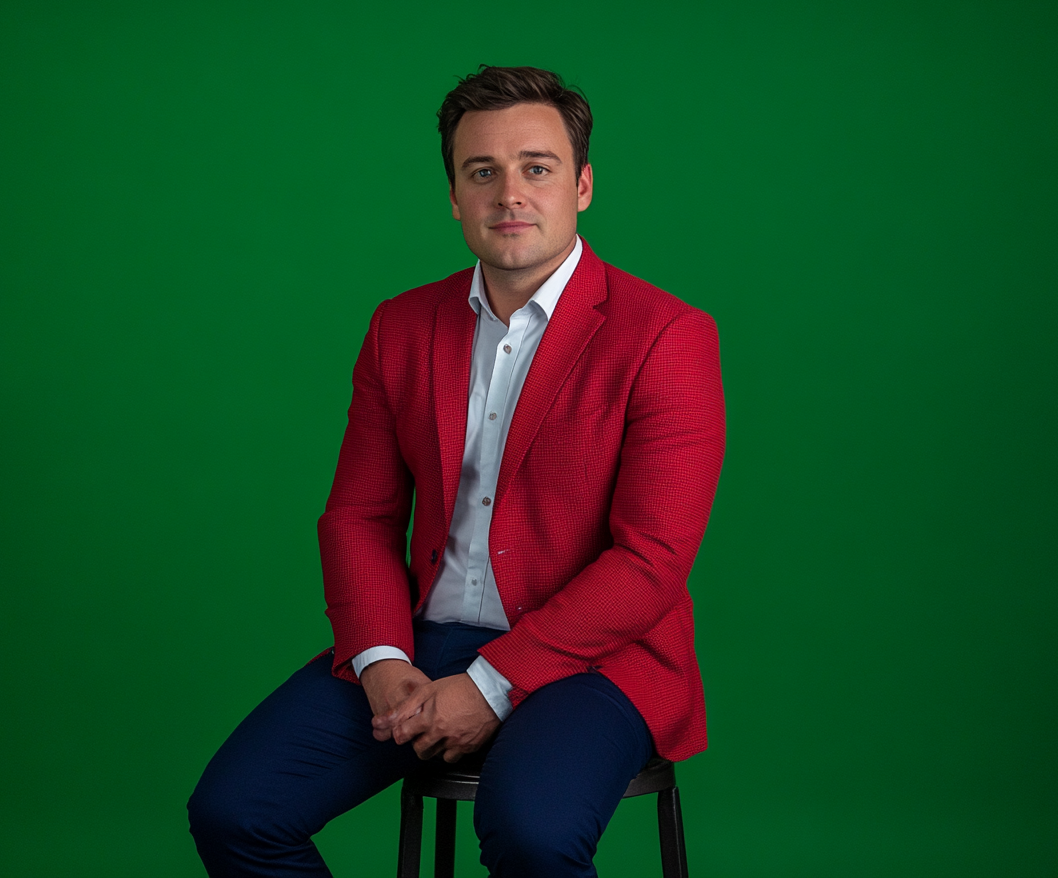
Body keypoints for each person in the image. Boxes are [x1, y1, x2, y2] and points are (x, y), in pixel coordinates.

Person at [188, 64, 725, 878]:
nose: (510, 192)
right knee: (237, 811)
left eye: (536, 167)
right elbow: (359, 516)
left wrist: (491, 684)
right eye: (483, 172)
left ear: (581, 185)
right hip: (423, 642)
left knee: (533, 836)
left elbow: (651, 561)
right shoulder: (402, 326)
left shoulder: (666, 335)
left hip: (599, 659)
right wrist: (380, 659)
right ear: (454, 196)